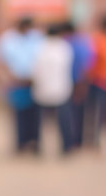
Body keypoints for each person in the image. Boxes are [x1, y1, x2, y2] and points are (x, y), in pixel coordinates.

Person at [0, 17, 42, 154]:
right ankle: (20, 145)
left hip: (34, 83)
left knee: (35, 116)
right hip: (16, 83)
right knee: (19, 115)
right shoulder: (8, 40)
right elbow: (1, 62)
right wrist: (7, 79)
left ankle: (34, 144)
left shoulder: (36, 37)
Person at [32, 23, 75, 154]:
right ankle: (67, 146)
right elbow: (68, 68)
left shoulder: (39, 47)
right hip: (61, 89)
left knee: (39, 122)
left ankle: (37, 146)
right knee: (64, 121)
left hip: (42, 90)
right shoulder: (64, 47)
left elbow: (35, 69)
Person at [61, 21, 93, 148]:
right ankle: (78, 141)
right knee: (79, 113)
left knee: (71, 113)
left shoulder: (66, 44)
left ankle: (74, 141)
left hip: (71, 83)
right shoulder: (82, 43)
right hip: (78, 82)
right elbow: (87, 65)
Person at [86, 14, 106, 148]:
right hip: (100, 84)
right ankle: (95, 142)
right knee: (98, 115)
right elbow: (91, 63)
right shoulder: (97, 40)